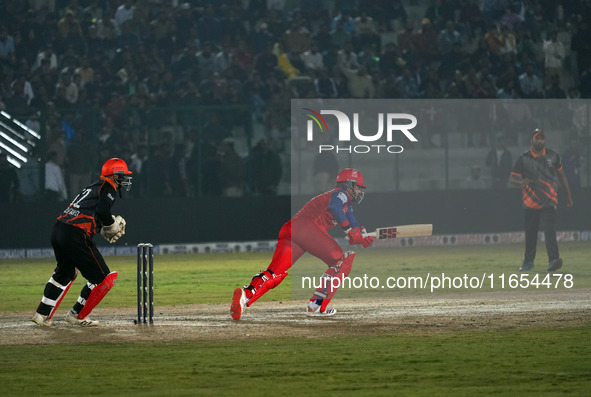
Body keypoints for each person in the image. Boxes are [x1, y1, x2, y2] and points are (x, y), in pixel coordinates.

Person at [231, 168, 375, 320]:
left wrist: (361, 235)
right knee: (341, 260)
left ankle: (245, 296)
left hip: (292, 229)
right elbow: (335, 208)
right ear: (349, 185)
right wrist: (349, 231)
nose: (359, 192)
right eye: (358, 187)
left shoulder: (346, 202)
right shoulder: (341, 194)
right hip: (307, 229)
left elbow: (353, 224)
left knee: (275, 273)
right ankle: (317, 305)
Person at [32, 158, 133, 327]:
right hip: (74, 234)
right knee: (102, 277)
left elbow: (89, 212)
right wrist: (111, 224)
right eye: (123, 175)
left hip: (59, 229)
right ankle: (77, 315)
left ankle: (41, 315)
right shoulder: (108, 188)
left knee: (65, 273)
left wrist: (101, 226)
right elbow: (102, 210)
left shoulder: (94, 186)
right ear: (115, 175)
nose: (125, 179)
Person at [509, 129, 573, 273]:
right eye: (537, 139)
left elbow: (562, 176)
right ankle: (528, 262)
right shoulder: (523, 158)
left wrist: (568, 195)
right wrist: (521, 182)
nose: (540, 141)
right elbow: (512, 178)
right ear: (531, 140)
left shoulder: (553, 156)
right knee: (531, 233)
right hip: (530, 203)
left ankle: (553, 260)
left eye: (542, 139)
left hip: (549, 201)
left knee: (549, 231)